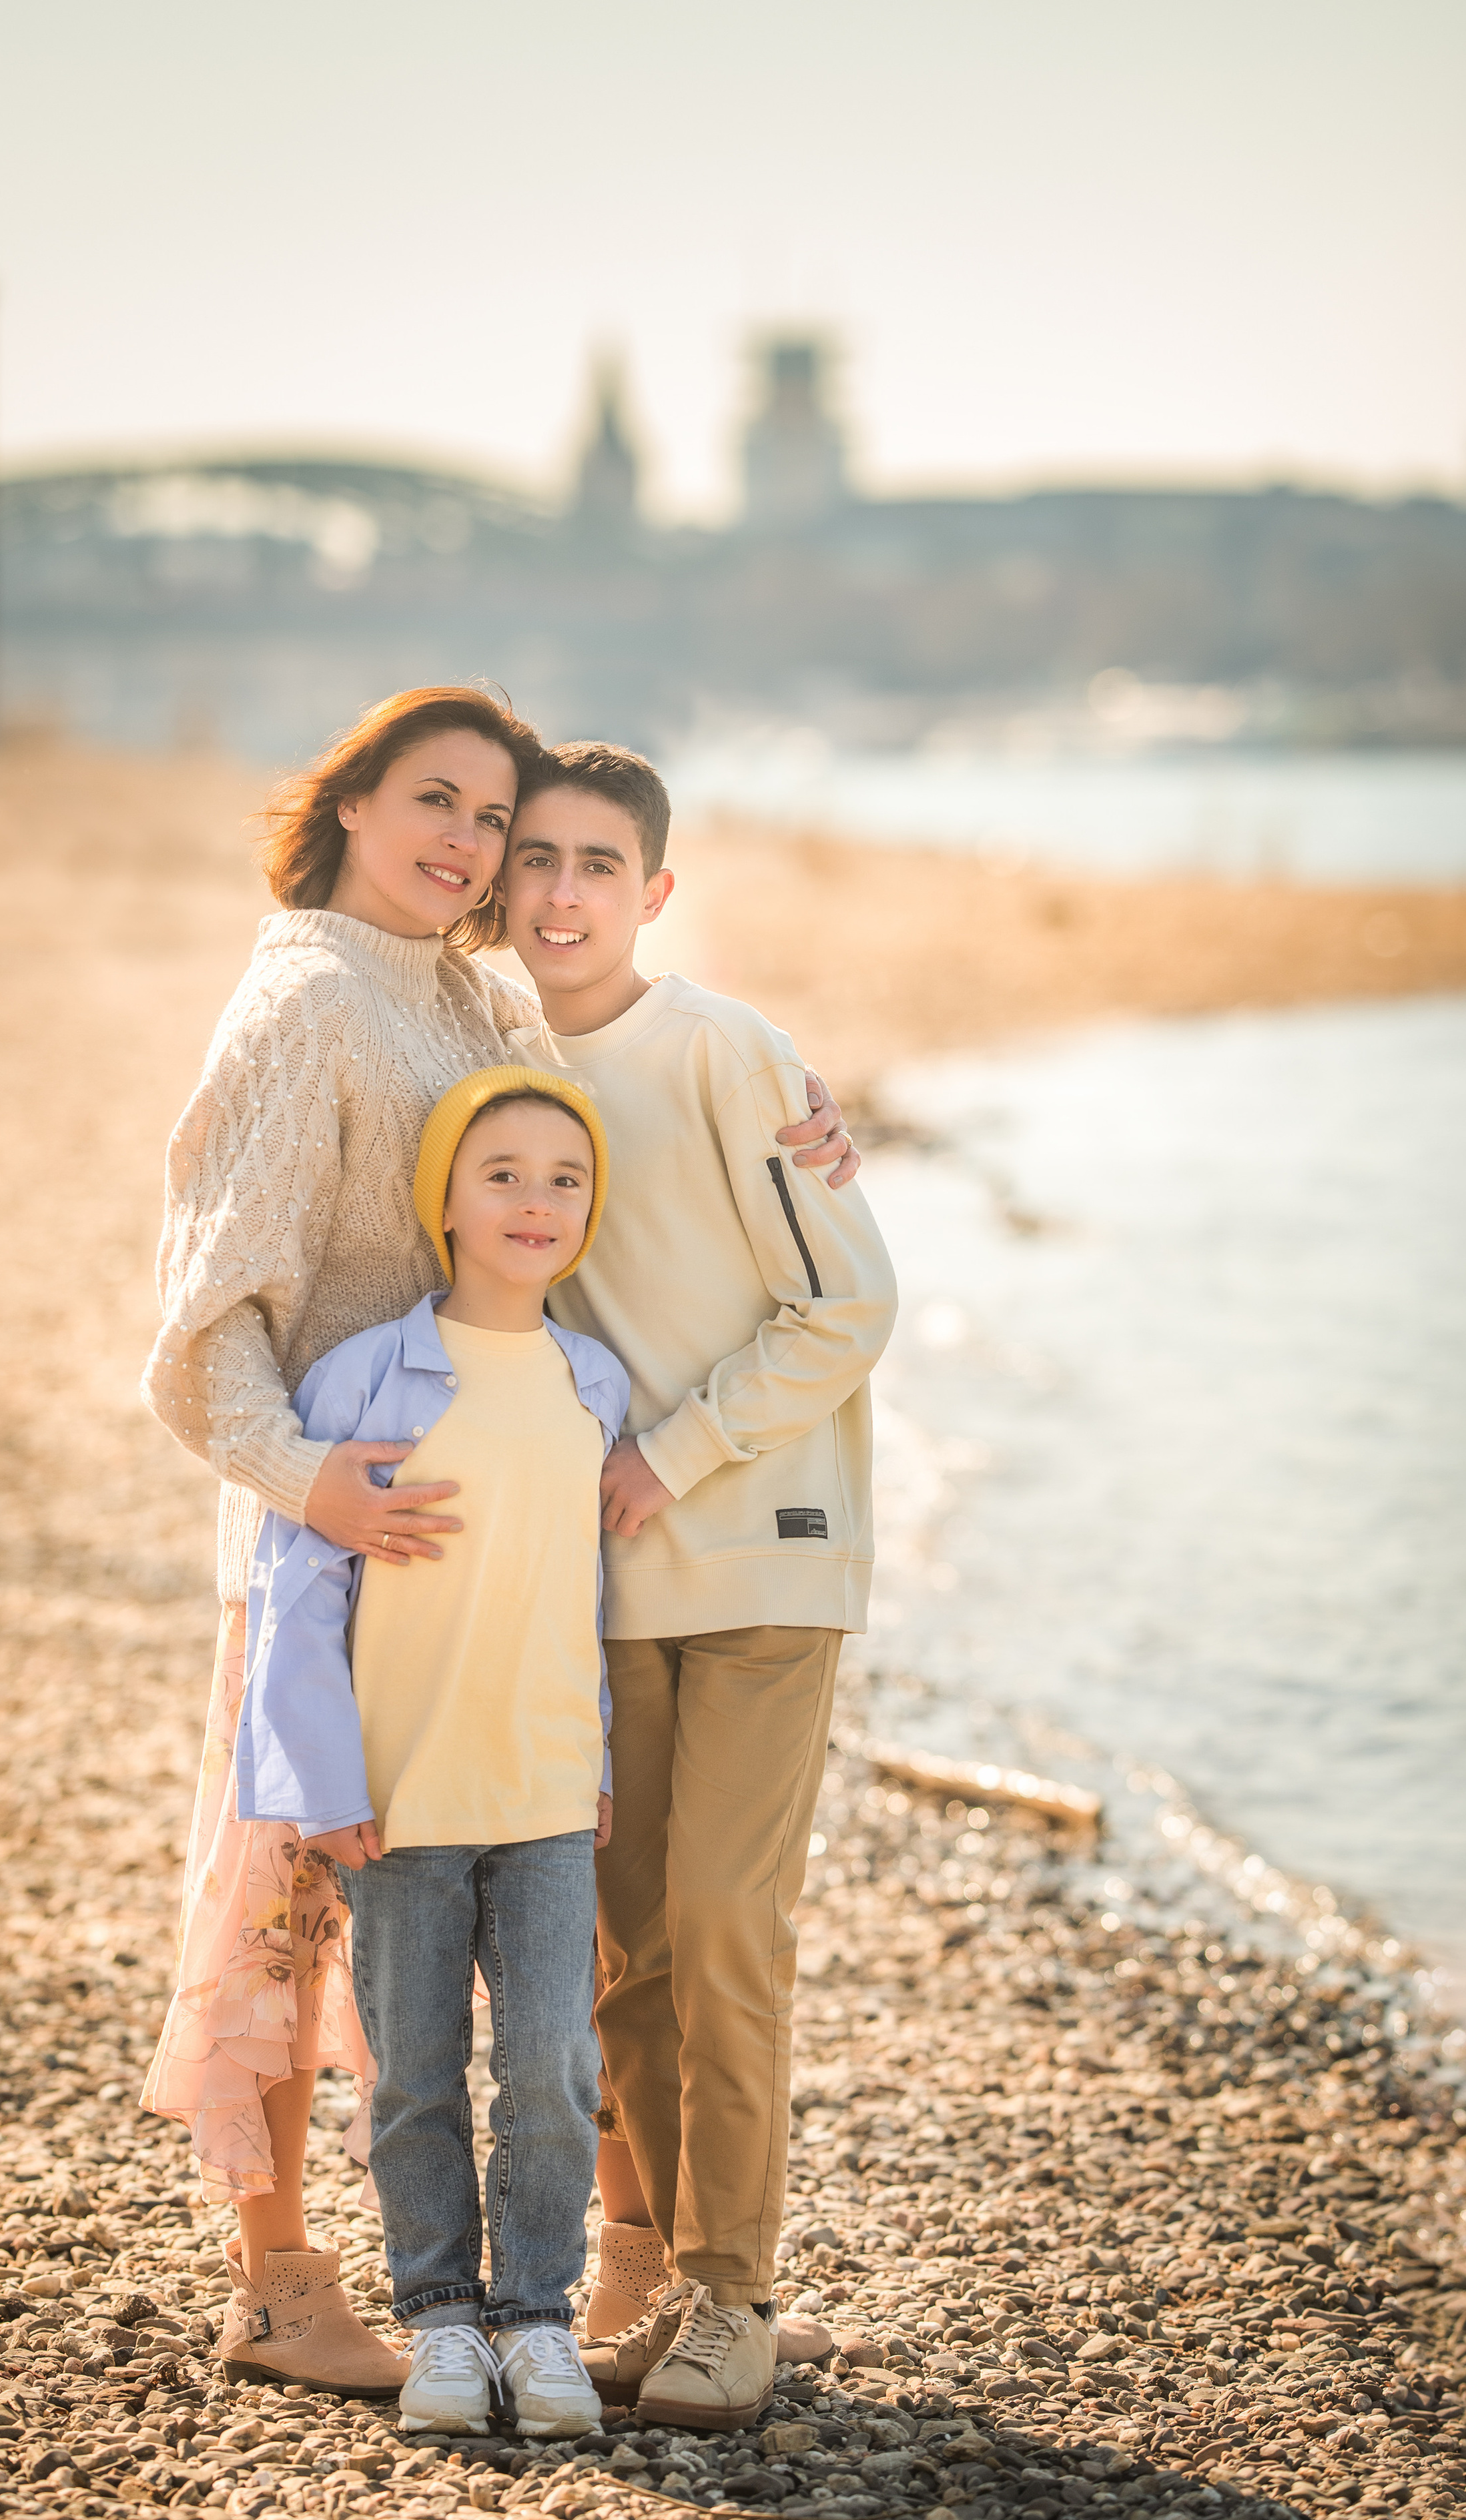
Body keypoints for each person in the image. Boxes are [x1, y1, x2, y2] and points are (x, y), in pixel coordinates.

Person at [138, 683, 857, 2396]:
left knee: (550, 1863)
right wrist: (304, 1482)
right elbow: (198, 1314)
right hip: (348, 1528)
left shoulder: (465, 988)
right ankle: (281, 2282)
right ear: (350, 810)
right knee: (301, 1894)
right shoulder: (305, 993)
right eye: (434, 805)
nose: (465, 845)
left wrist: (802, 1126)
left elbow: (606, 1141)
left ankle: (627, 2264)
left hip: (507, 1523)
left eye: (491, 821)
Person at [502, 742, 899, 2431]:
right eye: (537, 860)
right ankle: (679, 2282)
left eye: (600, 864)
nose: (563, 891)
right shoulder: (499, 1071)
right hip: (605, 1581)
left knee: (730, 1929)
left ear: (652, 893)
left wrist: (673, 1452)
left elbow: (849, 1303)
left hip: (765, 1556)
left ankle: (736, 2297)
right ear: (503, 889)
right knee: (634, 1960)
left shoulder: (731, 1051)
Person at [236, 1069, 629, 2439]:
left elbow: (587, 1595)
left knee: (548, 2071)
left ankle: (535, 2318)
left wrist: (597, 1763)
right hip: (399, 1802)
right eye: (503, 1174)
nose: (535, 1202)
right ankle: (441, 2320)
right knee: (408, 2073)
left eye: (564, 1180)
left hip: (541, 1793)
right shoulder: (367, 1375)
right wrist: (323, 1786)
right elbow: (297, 1595)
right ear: (445, 1199)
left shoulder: (593, 1382)